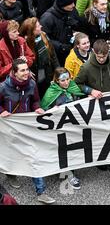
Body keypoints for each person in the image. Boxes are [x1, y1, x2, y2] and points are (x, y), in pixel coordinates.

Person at [0, 58, 55, 204]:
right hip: (9, 129)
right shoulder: (3, 87)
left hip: (26, 127)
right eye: (23, 70)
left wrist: (37, 107)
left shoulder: (31, 84)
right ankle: (10, 173)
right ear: (14, 72)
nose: (27, 73)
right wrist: (1, 111)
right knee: (10, 153)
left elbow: (35, 100)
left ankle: (41, 191)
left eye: (27, 70)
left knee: (33, 157)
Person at [74, 39, 110, 187]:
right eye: (99, 57)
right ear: (94, 53)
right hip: (97, 106)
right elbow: (77, 84)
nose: (102, 59)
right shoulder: (86, 67)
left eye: (104, 56)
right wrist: (90, 91)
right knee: (103, 137)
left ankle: (107, 163)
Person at [40, 67, 84, 189]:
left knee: (73, 150)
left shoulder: (72, 86)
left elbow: (81, 97)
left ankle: (70, 171)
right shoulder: (51, 92)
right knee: (64, 151)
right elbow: (44, 108)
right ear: (57, 80)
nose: (66, 82)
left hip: (74, 126)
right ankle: (69, 175)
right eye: (62, 80)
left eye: (68, 79)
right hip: (59, 129)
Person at [19, 17, 59, 96]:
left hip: (48, 71)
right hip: (36, 75)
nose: (41, 26)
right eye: (38, 26)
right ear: (32, 31)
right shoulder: (24, 43)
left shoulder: (43, 35)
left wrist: (57, 69)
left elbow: (53, 54)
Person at [39, 0, 81, 65]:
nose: (73, 5)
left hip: (71, 50)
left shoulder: (71, 11)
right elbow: (43, 37)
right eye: (70, 4)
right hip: (57, 55)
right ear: (62, 5)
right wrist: (61, 47)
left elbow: (78, 23)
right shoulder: (47, 18)